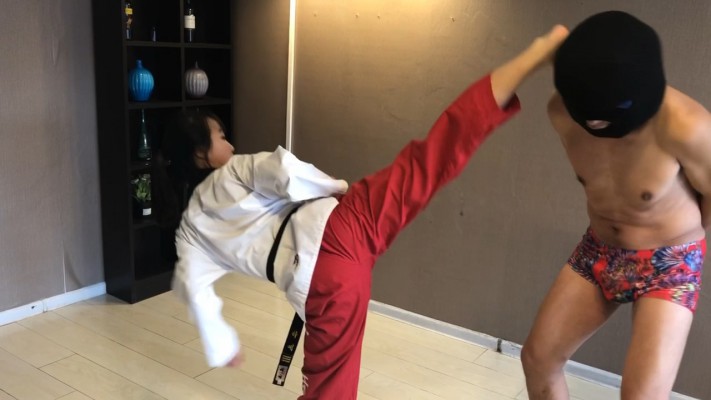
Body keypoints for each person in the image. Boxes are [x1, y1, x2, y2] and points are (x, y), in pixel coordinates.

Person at [158, 25, 568, 399]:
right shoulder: (233, 170)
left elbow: (194, 286)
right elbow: (283, 171)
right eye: (220, 136)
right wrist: (337, 187)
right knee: (435, 153)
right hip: (346, 223)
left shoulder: (189, 232)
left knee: (329, 392)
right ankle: (534, 56)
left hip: (323, 284)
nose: (230, 144)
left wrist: (222, 344)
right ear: (199, 153)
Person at [521, 11, 710, 400]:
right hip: (599, 249)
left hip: (670, 262)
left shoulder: (687, 125)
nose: (596, 125)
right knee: (537, 360)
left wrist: (685, 244)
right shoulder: (562, 113)